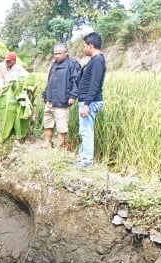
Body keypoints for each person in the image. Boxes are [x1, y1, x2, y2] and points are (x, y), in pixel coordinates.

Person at [41, 44, 81, 149]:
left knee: (61, 125)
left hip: (62, 100)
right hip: (50, 100)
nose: (57, 56)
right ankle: (47, 143)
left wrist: (73, 96)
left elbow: (76, 82)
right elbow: (49, 80)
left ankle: (59, 147)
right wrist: (45, 94)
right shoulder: (54, 64)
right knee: (48, 122)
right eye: (55, 54)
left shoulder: (73, 64)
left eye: (59, 53)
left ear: (66, 53)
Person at [76, 32, 106, 168]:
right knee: (84, 130)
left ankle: (86, 161)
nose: (83, 49)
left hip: (91, 102)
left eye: (84, 46)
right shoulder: (94, 61)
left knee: (87, 131)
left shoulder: (98, 60)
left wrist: (86, 104)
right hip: (87, 101)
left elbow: (94, 84)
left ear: (91, 46)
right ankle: (83, 158)